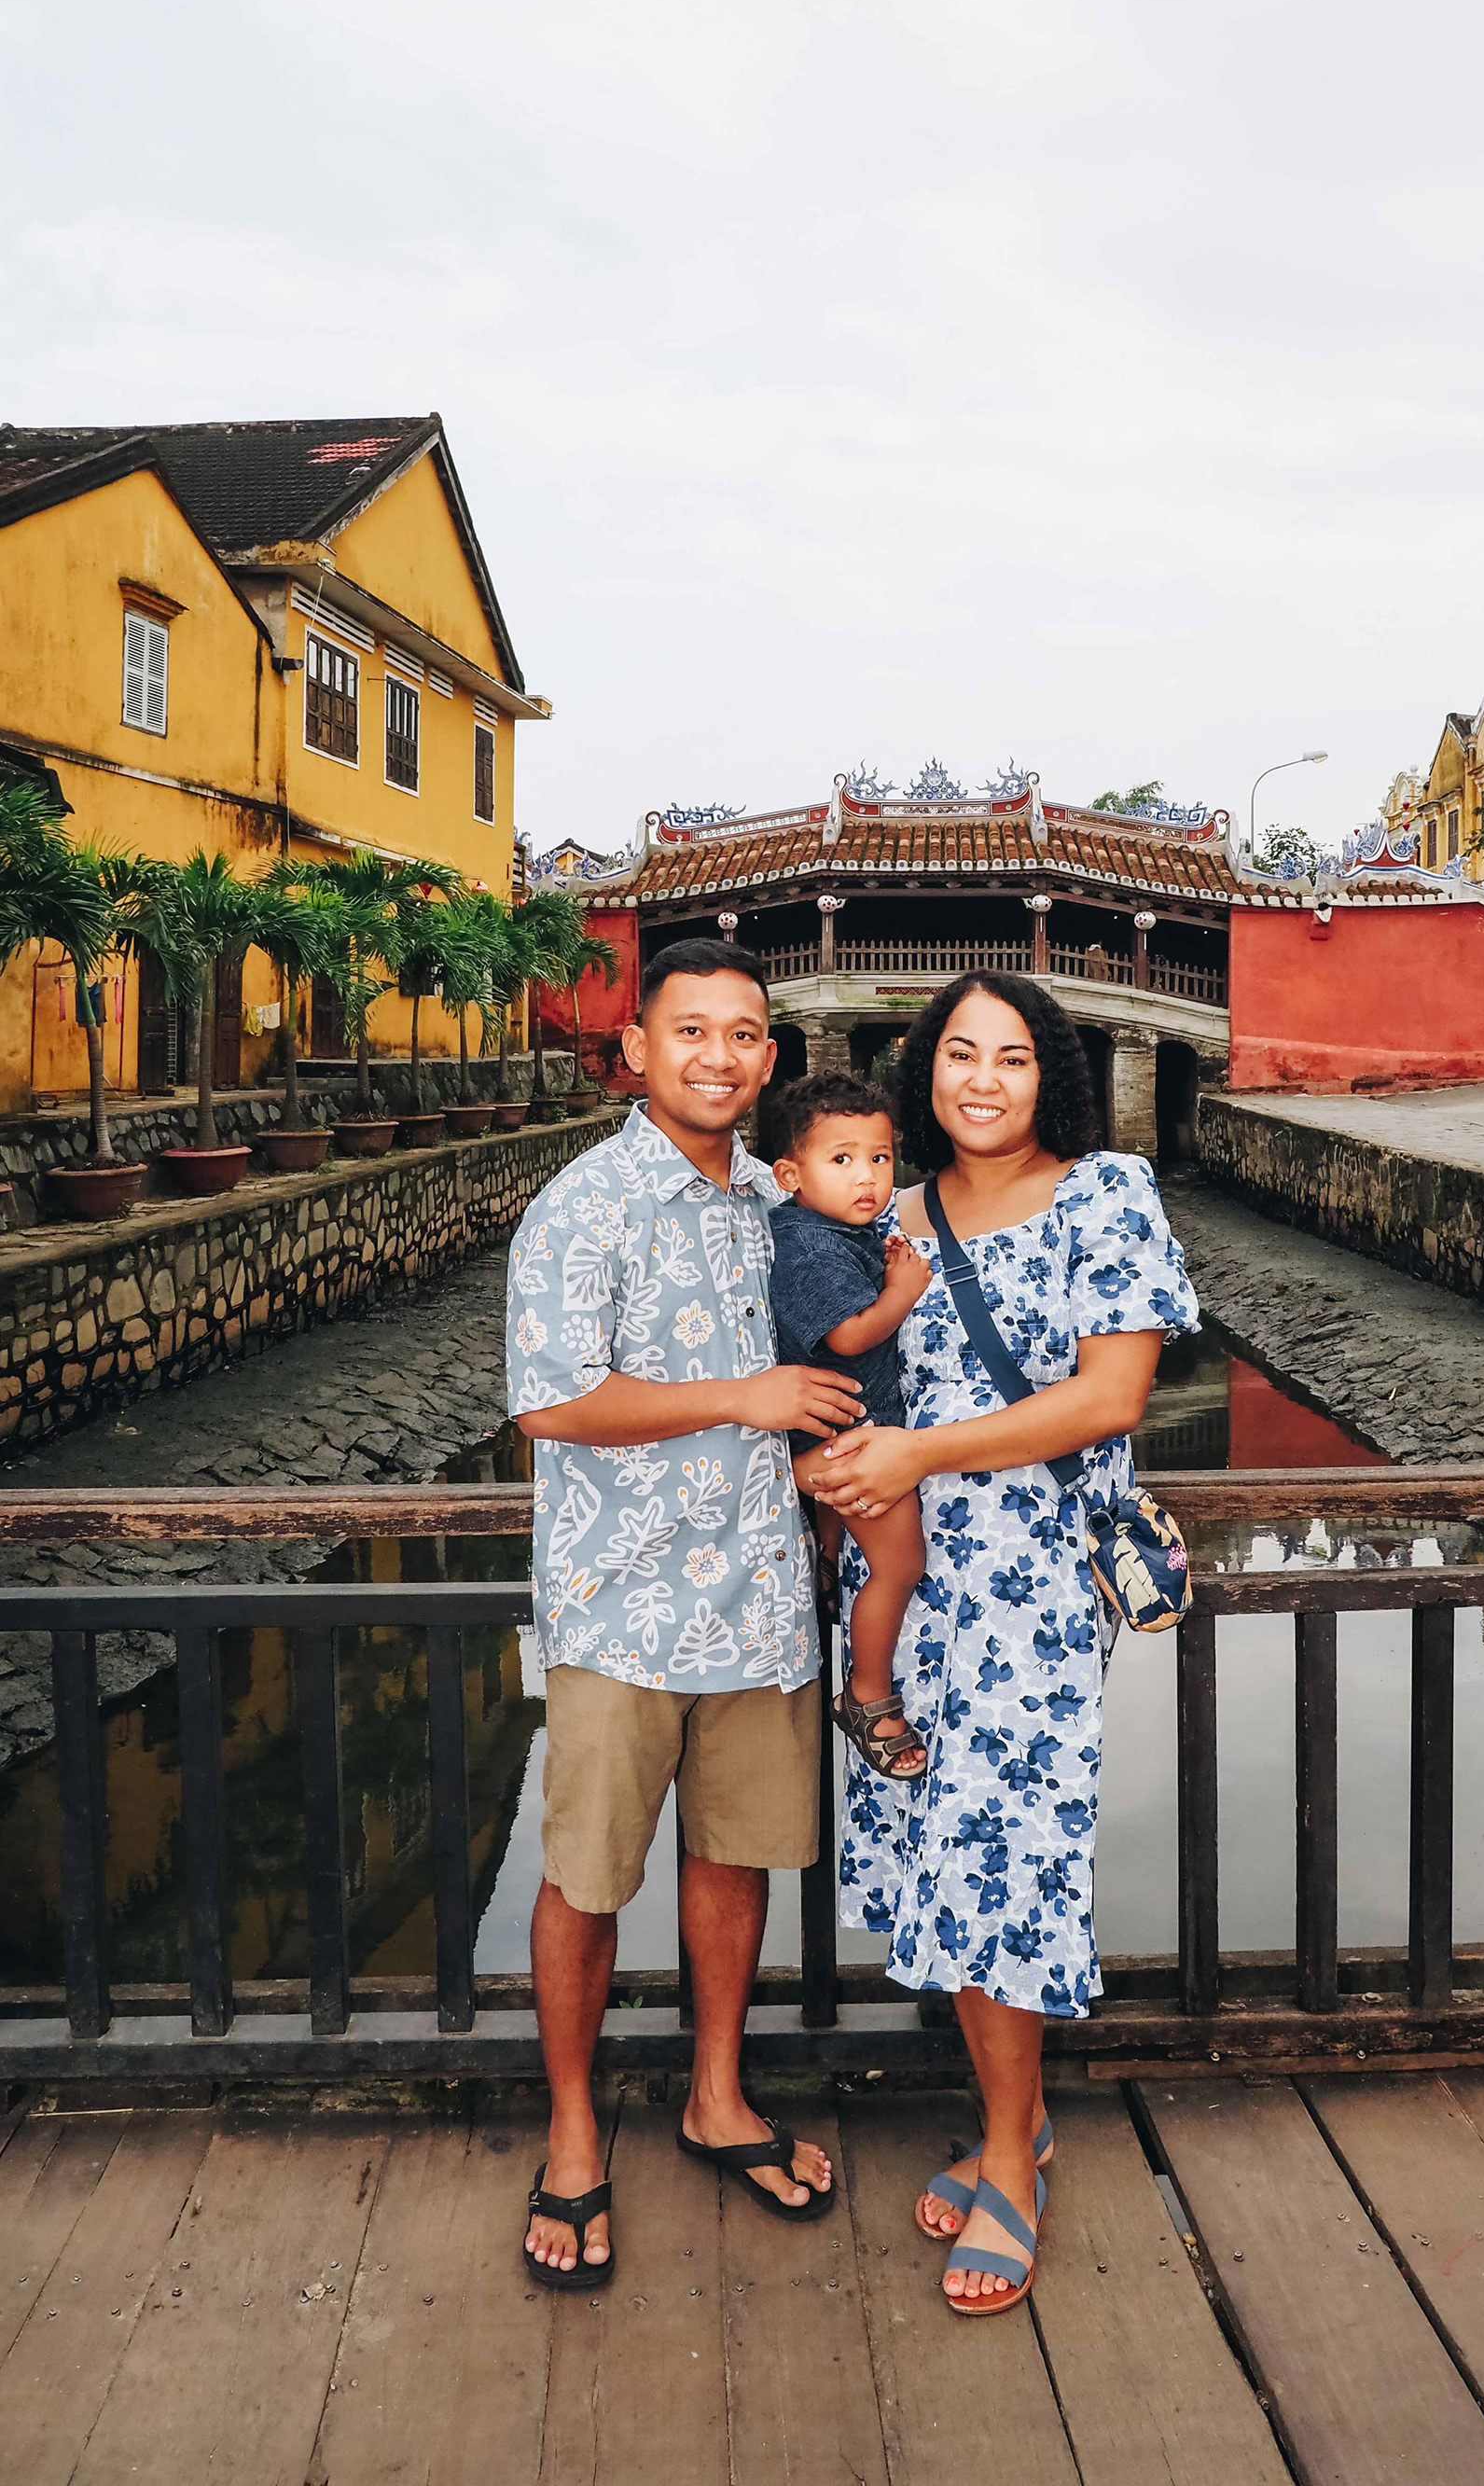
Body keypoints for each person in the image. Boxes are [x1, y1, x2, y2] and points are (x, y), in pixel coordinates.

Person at [809, 972, 1199, 2320]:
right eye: (961, 1055)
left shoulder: (1107, 1194)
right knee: (946, 1845)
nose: (983, 1079)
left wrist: (919, 1447)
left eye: (1013, 1058)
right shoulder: (891, 1213)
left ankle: (1014, 2169)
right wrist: (836, 1458)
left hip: (1032, 1592)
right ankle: (1009, 2122)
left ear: (1052, 1078)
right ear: (926, 1070)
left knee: (1007, 1847)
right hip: (911, 1584)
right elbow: (835, 1362)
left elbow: (1113, 1393)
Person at [508, 937, 862, 2288]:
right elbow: (550, 1401)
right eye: (693, 1030)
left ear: (770, 1059)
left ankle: (717, 2094)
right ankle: (574, 2131)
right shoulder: (583, 1206)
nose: (720, 1054)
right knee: (586, 1877)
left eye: (745, 1034)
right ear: (637, 1050)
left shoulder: (768, 1199)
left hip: (762, 1594)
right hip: (619, 1602)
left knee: (734, 1857)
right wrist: (744, 1396)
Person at [768, 1071, 933, 1780]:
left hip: (843, 1431)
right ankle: (867, 1694)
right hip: (847, 1441)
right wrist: (902, 1291)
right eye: (841, 1161)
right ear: (789, 1172)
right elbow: (849, 1336)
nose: (866, 1177)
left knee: (863, 1545)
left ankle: (827, 1558)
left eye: (880, 1158)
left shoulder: (836, 1227)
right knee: (902, 1564)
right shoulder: (808, 1243)